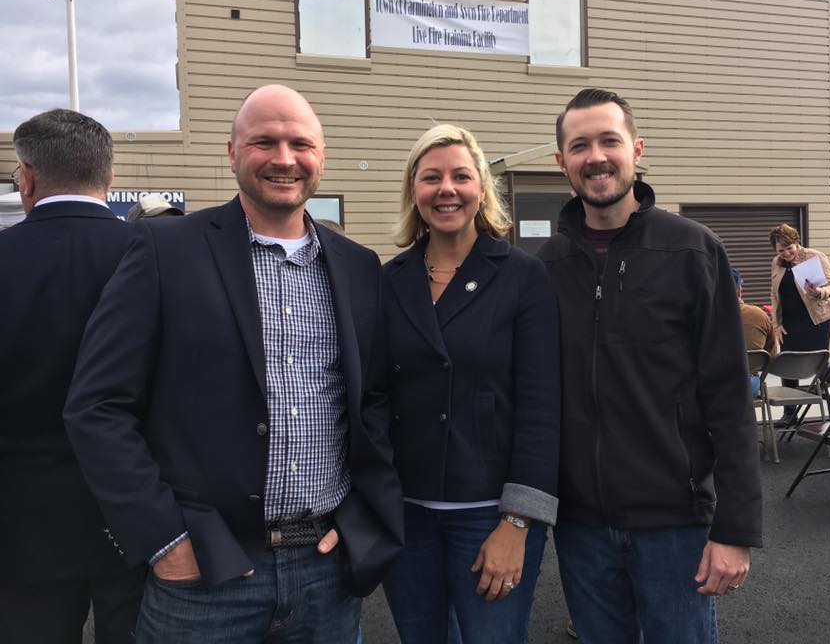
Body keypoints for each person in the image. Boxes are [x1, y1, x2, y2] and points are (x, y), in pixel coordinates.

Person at [63, 85, 403, 643]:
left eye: (301, 143)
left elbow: (373, 402)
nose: (284, 159)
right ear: (231, 152)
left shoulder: (359, 266)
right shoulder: (163, 250)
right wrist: (163, 538)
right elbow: (97, 406)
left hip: (326, 571)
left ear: (322, 155)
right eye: (263, 142)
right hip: (205, 577)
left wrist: (362, 514)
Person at [538, 87, 762, 644]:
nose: (596, 156)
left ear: (637, 150)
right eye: (580, 144)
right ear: (560, 161)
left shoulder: (693, 253)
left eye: (609, 140)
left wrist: (734, 529)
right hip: (582, 526)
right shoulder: (544, 268)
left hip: (675, 522)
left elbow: (730, 402)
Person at [380, 124, 561, 644]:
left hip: (488, 517)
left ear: (481, 188)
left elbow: (541, 406)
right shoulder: (389, 280)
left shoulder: (523, 277)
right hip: (407, 518)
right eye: (431, 177)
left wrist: (519, 522)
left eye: (461, 176)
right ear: (413, 191)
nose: (447, 189)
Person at [0, 109, 145, 643]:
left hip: (22, 521)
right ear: (109, 178)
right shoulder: (154, 256)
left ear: (28, 179)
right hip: (137, 517)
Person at [769, 222, 830, 425]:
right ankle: (790, 413)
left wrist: (820, 292)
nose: (786, 254)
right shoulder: (776, 262)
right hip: (790, 322)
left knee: (819, 364)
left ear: (796, 243)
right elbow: (774, 296)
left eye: (789, 248)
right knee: (789, 363)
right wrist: (777, 324)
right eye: (781, 250)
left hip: (817, 319)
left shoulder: (814, 256)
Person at [735, 268, 777, 397]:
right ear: (739, 291)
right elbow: (772, 354)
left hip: (713, 385)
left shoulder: (705, 316)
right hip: (748, 384)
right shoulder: (759, 314)